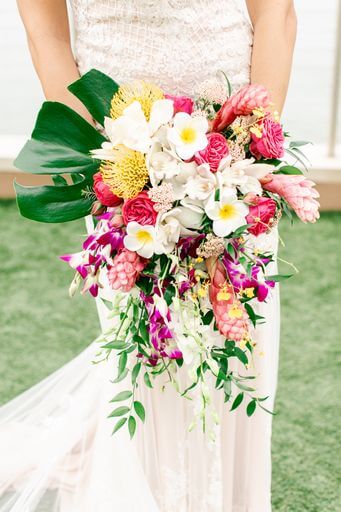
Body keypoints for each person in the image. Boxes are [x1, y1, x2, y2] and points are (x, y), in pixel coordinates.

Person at [0, 1, 297, 510]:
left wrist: (252, 146)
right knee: (151, 355)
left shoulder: (241, 154)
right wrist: (100, 156)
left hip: (233, 155)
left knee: (241, 344)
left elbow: (276, 12)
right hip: (123, 165)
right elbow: (44, 31)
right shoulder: (118, 168)